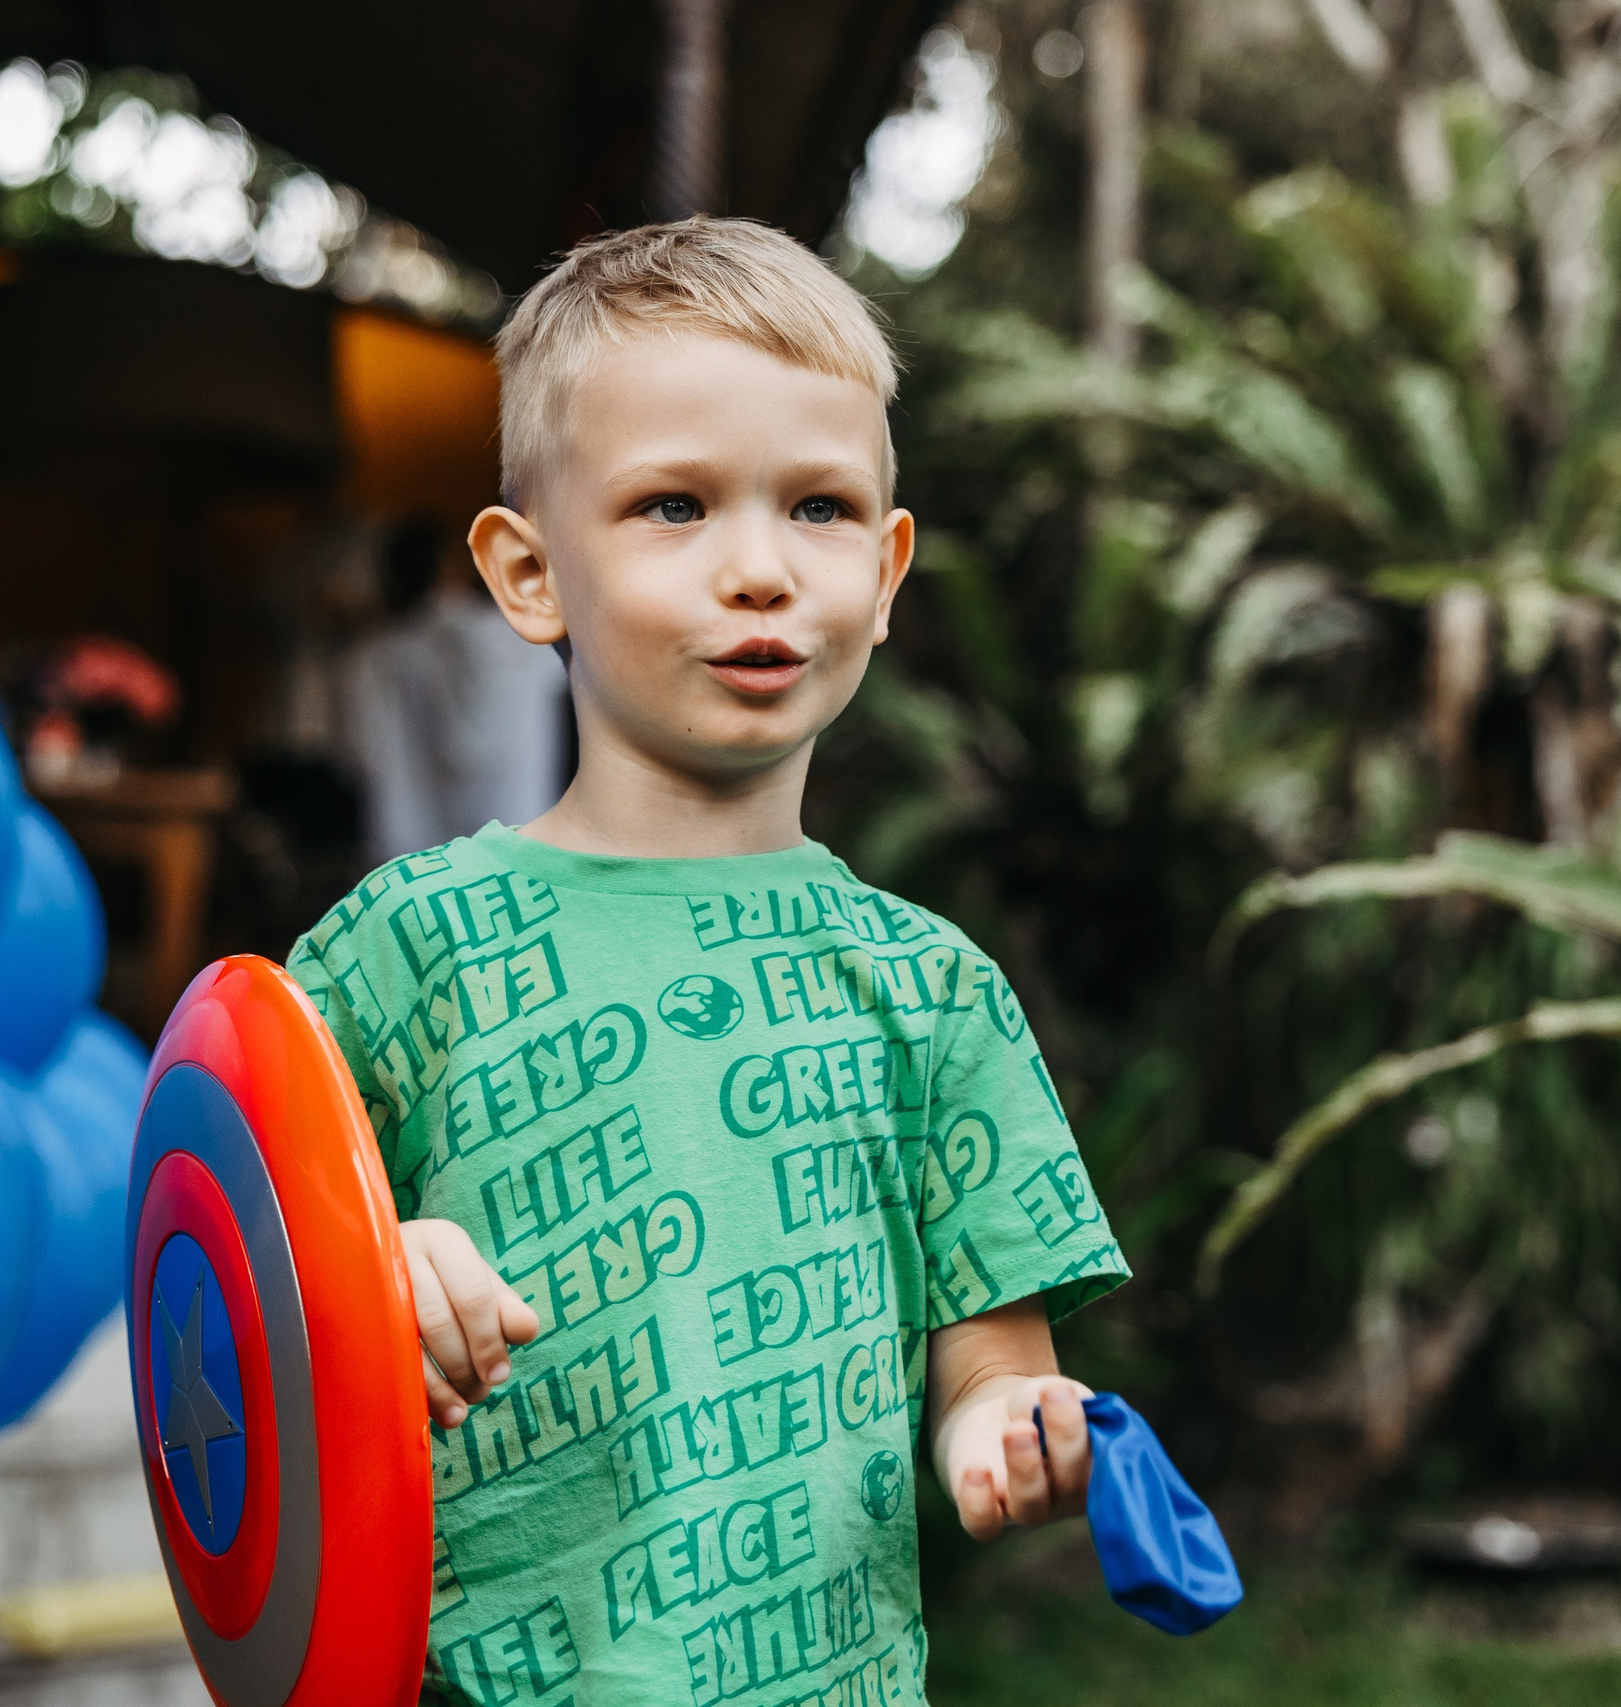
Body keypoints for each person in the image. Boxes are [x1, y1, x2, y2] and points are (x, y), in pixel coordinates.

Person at [285, 217, 1129, 1707]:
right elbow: (208, 1275)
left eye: (817, 508)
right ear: (530, 574)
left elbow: (993, 1364)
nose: (758, 568)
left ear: (885, 569)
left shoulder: (929, 988)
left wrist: (1008, 1427)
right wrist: (361, 1264)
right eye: (673, 505)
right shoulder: (403, 950)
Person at [344, 518, 573, 863]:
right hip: (515, 851)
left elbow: (355, 756)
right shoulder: (524, 637)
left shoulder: (371, 657)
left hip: (412, 865)